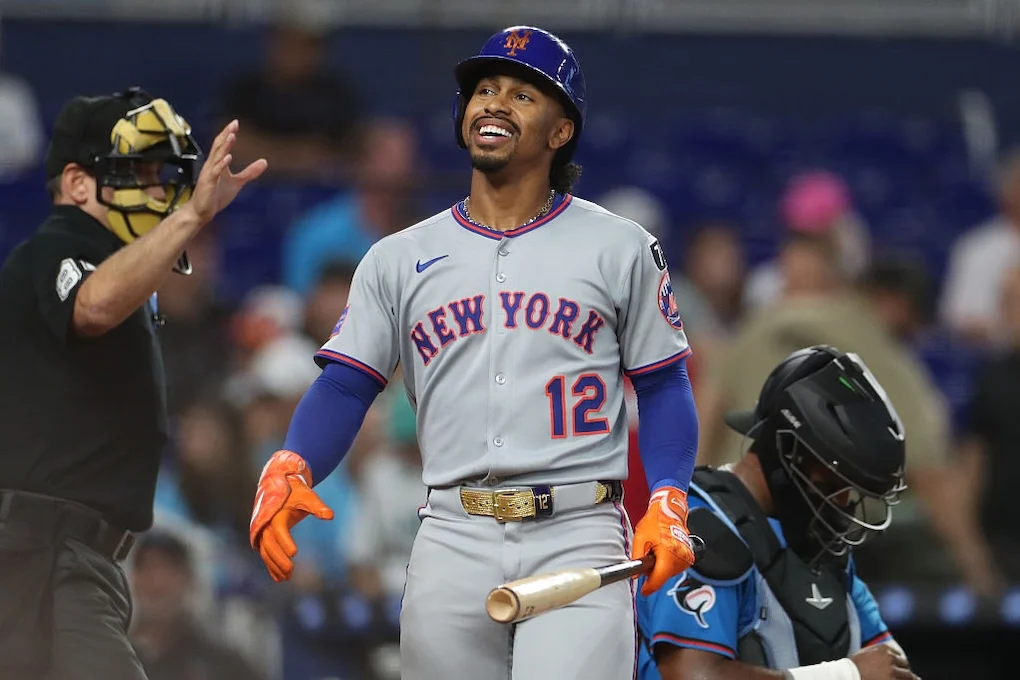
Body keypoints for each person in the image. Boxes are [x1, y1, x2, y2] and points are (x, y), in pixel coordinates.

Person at [248, 25, 700, 679]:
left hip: (576, 528)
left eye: (522, 95)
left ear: (561, 130)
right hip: (450, 532)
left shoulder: (620, 247)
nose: (494, 103)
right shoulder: (398, 257)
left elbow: (663, 385)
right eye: (485, 90)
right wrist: (293, 462)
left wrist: (668, 497)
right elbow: (345, 385)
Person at [0, 87, 266, 679]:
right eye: (135, 174)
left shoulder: (122, 271)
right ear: (77, 185)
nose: (156, 190)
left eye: (158, 175)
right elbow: (90, 306)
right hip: (37, 551)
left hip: (71, 556)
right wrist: (191, 217)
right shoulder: (59, 245)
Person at [637, 345, 919, 680]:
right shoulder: (701, 528)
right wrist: (845, 676)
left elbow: (888, 665)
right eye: (835, 482)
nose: (844, 501)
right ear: (789, 450)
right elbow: (692, 675)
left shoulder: (821, 539)